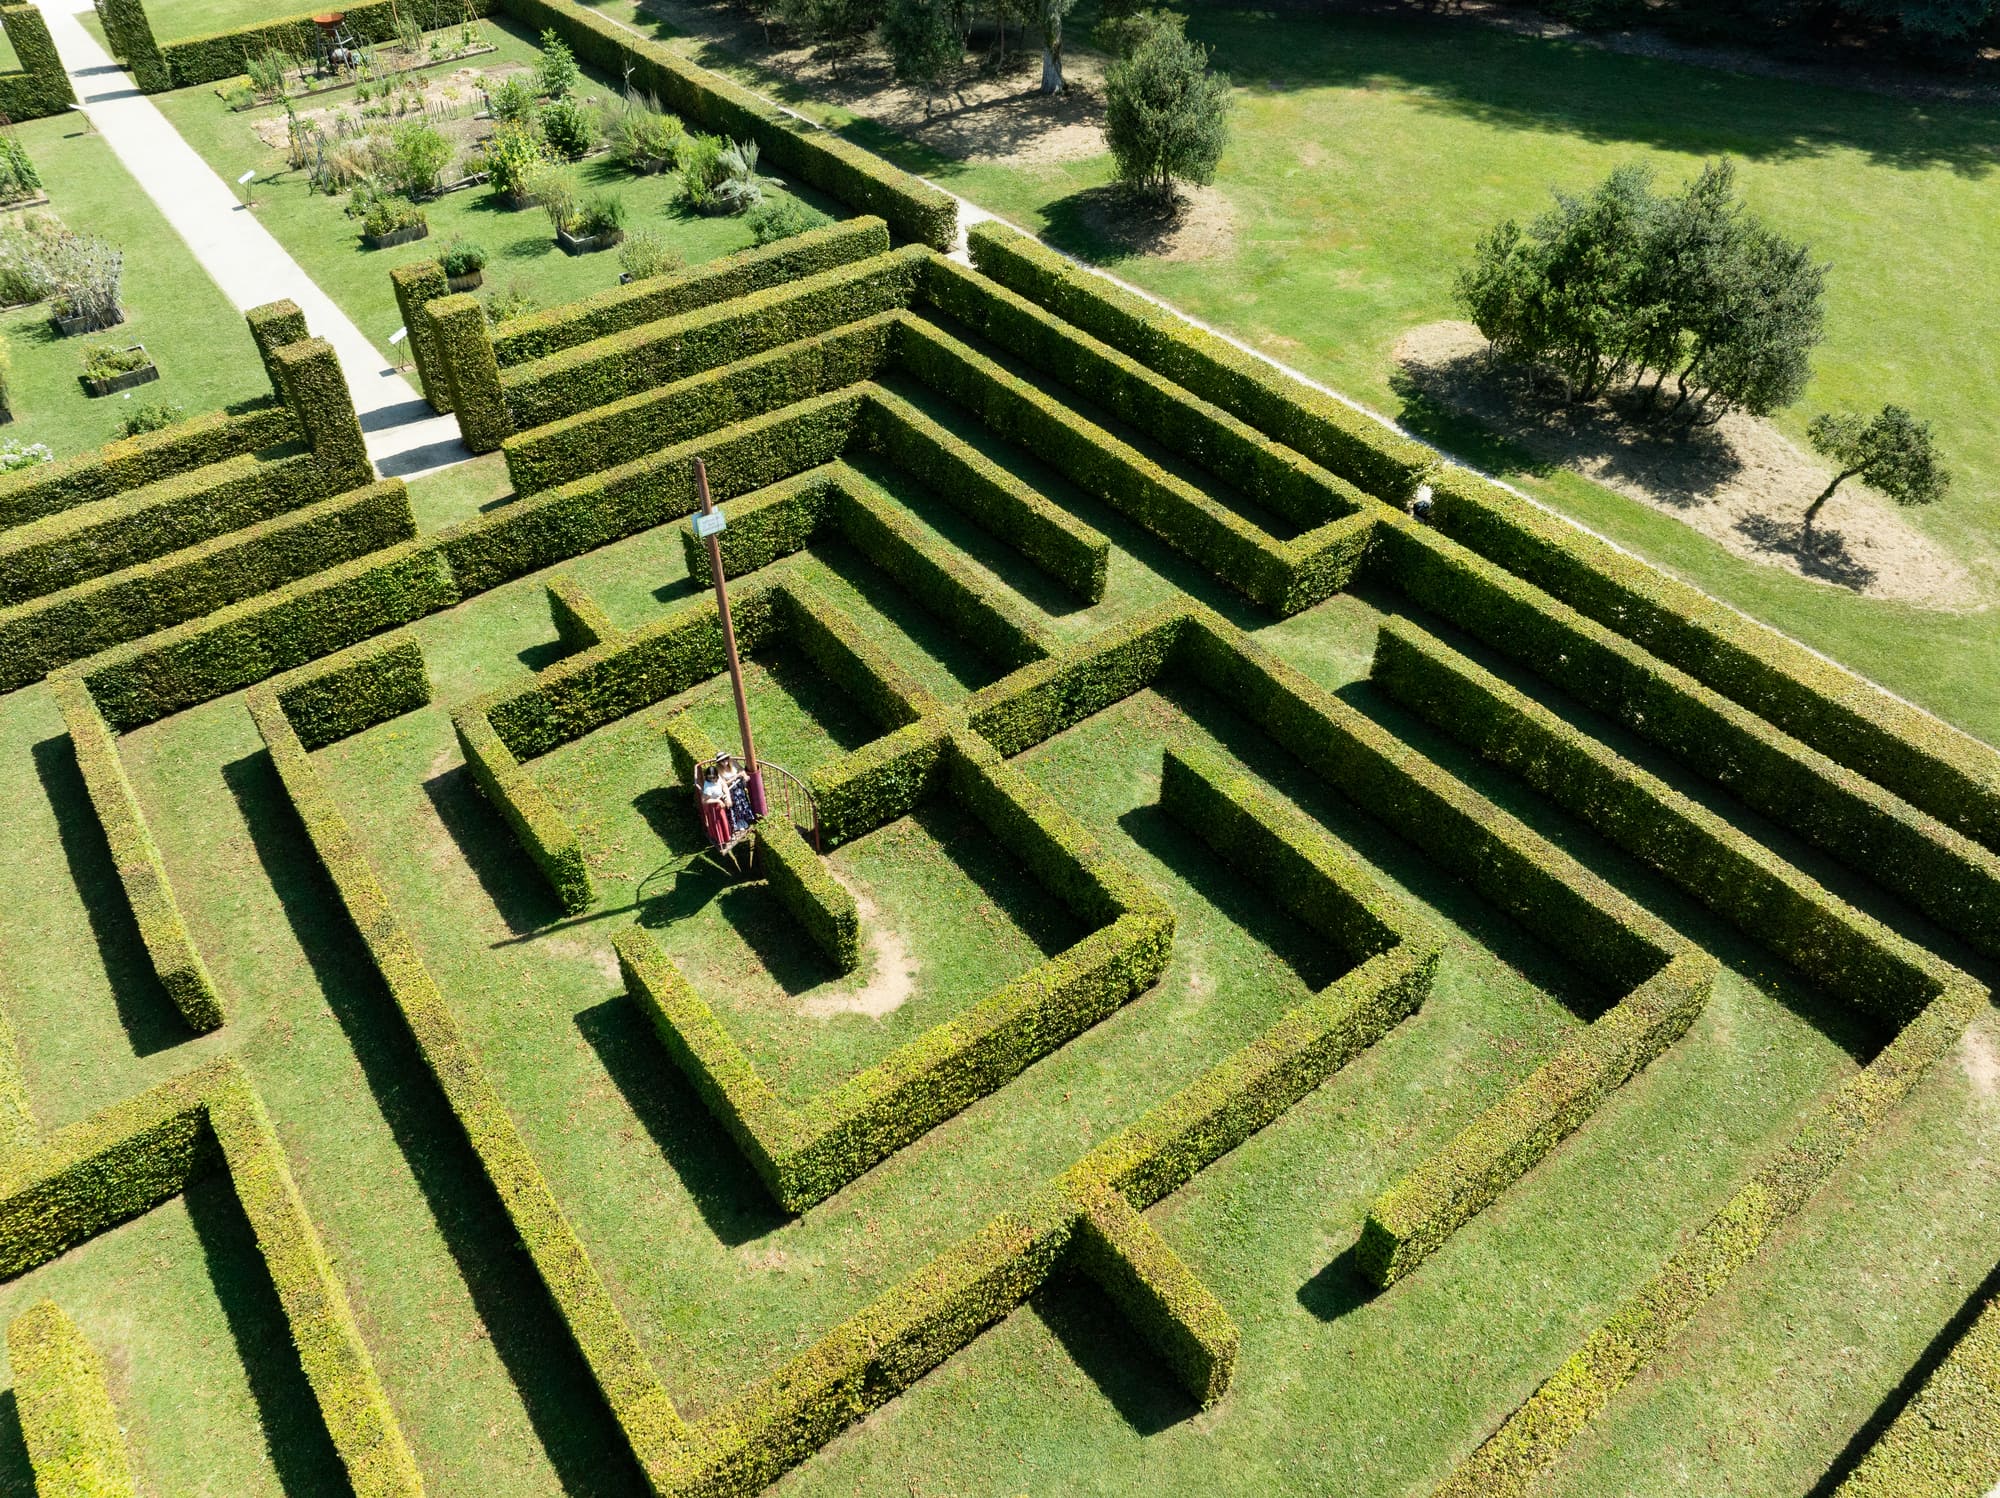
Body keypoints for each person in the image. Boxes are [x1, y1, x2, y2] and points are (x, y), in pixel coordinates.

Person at [697, 762, 733, 849]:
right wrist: (717, 800)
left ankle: (727, 837)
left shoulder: (719, 778)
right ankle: (721, 840)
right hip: (713, 806)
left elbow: (724, 786)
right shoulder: (708, 787)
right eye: (710, 778)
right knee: (717, 823)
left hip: (720, 803)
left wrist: (728, 798)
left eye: (714, 777)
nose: (712, 780)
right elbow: (704, 801)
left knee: (723, 820)